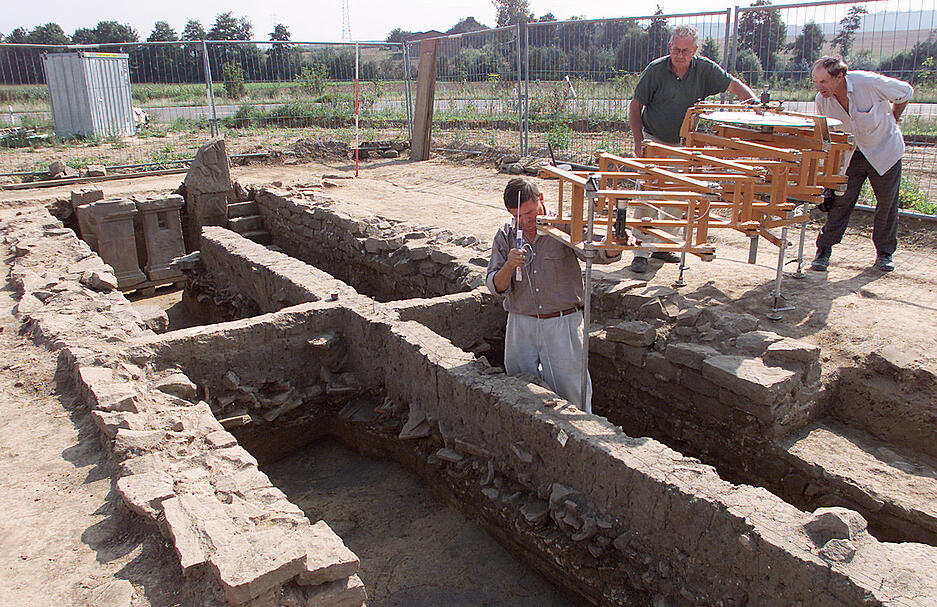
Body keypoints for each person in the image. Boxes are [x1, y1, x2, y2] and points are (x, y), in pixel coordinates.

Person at [486, 177, 626, 411]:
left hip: (562, 323)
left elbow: (595, 252)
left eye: (529, 213)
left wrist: (614, 245)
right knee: (520, 388)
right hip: (522, 323)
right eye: (517, 216)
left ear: (540, 199)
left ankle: (583, 440)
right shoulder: (505, 234)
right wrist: (509, 265)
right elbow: (495, 286)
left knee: (573, 390)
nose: (525, 221)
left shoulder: (563, 225)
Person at [628, 25, 756, 274]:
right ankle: (640, 251)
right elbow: (635, 107)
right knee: (648, 193)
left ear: (695, 50)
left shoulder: (705, 69)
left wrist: (756, 105)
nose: (680, 55)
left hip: (685, 145)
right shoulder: (656, 71)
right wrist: (637, 141)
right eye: (676, 49)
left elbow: (733, 85)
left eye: (686, 51)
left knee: (678, 197)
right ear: (669, 48)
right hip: (654, 140)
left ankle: (664, 245)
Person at [809, 56, 913, 273]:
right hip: (852, 154)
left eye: (824, 82)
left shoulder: (868, 83)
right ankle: (824, 250)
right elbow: (828, 136)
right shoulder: (822, 100)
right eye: (816, 82)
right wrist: (829, 173)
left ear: (839, 77)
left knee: (887, 203)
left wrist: (894, 116)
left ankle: (884, 253)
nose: (820, 88)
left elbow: (906, 92)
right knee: (840, 200)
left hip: (884, 150)